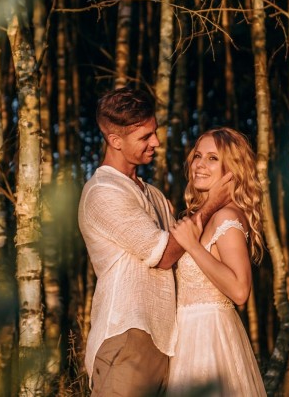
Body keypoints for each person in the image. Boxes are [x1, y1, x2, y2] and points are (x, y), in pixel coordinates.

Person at [78, 88, 232, 397]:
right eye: (145, 136)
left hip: (166, 344)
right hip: (127, 336)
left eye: (155, 132)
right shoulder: (103, 191)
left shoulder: (154, 195)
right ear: (115, 141)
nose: (156, 142)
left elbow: (184, 251)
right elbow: (162, 254)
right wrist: (211, 205)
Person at [167, 128, 268, 396]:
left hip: (209, 339)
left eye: (213, 158)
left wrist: (192, 246)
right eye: (198, 156)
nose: (200, 164)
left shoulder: (227, 217)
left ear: (232, 170)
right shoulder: (208, 216)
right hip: (186, 337)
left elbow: (240, 290)